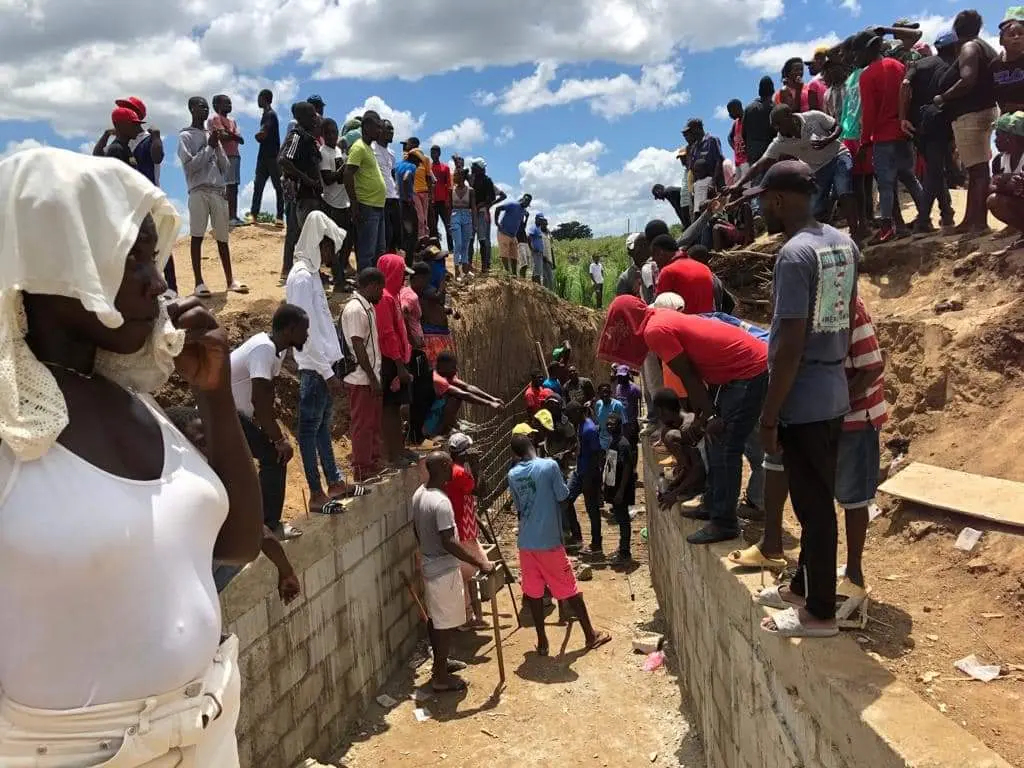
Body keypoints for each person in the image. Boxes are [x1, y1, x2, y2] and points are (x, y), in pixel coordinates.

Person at [0, 148, 260, 765]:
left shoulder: (135, 401)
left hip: (209, 733)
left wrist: (217, 398)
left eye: (154, 255)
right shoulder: (14, 426)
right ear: (55, 259)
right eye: (131, 255)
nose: (157, 280)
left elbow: (237, 544)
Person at [752, 160, 858, 638]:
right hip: (832, 387)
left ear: (777, 199)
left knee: (814, 509)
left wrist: (770, 415)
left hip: (804, 397)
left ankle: (819, 613)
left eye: (762, 199)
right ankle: (801, 586)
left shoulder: (794, 256)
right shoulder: (842, 243)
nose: (760, 208)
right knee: (813, 498)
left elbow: (791, 340)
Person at [600, 295, 768, 544]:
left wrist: (710, 415)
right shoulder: (659, 319)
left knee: (725, 446)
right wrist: (704, 416)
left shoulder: (655, 330)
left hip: (748, 370)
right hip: (735, 372)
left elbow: (688, 375)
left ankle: (724, 523)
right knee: (713, 438)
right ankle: (713, 505)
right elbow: (701, 368)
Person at [165, 407, 301, 605]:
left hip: (173, 579)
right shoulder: (199, 484)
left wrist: (286, 570)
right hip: (169, 582)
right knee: (242, 545)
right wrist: (286, 571)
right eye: (202, 442)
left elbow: (258, 531)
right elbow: (257, 533)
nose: (211, 448)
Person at [507, 434, 612, 655]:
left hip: (526, 543)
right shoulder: (549, 465)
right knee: (570, 588)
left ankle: (542, 641)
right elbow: (564, 498)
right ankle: (590, 636)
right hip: (549, 543)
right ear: (534, 445)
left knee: (534, 593)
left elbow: (519, 508)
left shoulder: (512, 474)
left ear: (515, 455)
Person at [285, 211, 361, 513]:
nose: (333, 254)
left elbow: (322, 324)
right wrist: (328, 371)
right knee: (308, 432)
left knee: (320, 430)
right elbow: (305, 331)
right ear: (319, 244)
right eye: (329, 248)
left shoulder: (312, 274)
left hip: (325, 366)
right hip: (315, 369)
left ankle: (335, 481)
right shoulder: (302, 277)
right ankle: (317, 493)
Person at [413, 452, 494, 692]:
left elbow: (415, 528)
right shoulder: (441, 502)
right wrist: (481, 563)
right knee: (444, 625)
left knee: (436, 619)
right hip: (443, 570)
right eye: (451, 466)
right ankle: (440, 677)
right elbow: (449, 541)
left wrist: (426, 550)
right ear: (445, 467)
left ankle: (442, 663)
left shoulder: (420, 494)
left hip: (430, 565)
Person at [230, 303, 309, 540]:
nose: (307, 334)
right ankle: (267, 526)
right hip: (224, 415)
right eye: (304, 330)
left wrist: (269, 432)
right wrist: (278, 439)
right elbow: (259, 398)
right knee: (275, 456)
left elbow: (265, 397)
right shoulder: (263, 349)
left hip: (237, 415)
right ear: (290, 330)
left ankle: (259, 524)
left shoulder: (277, 349)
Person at [729, 104, 862, 241]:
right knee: (815, 211)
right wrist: (738, 184)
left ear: (790, 117)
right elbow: (759, 165)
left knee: (843, 190)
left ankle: (856, 232)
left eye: (778, 124)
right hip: (818, 168)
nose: (776, 128)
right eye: (774, 126)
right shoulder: (780, 143)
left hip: (838, 155)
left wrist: (829, 139)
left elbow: (837, 126)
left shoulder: (813, 117)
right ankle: (826, 238)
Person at [95, 100, 174, 293]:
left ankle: (169, 288)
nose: (135, 124)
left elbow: (157, 157)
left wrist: (157, 137)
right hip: (130, 205)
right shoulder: (120, 145)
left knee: (157, 242)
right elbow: (100, 161)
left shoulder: (144, 140)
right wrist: (105, 136)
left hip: (147, 199)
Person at [935, 9, 1000, 235]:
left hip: (971, 114)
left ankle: (979, 223)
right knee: (978, 169)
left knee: (978, 170)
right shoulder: (984, 46)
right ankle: (971, 220)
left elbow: (968, 79)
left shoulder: (969, 47)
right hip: (985, 110)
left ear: (956, 28)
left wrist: (943, 97)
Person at [858, 31, 927, 241]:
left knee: (886, 185)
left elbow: (869, 112)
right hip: (902, 131)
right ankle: (925, 218)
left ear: (867, 50)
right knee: (910, 177)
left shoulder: (867, 75)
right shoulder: (898, 65)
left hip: (882, 135)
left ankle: (887, 228)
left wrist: (864, 140)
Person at [178, 96, 245, 297]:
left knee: (222, 237)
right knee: (197, 236)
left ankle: (230, 280)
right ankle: (199, 282)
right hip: (198, 190)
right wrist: (209, 147)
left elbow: (224, 166)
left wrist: (216, 147)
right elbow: (189, 166)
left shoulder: (212, 134)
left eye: (207, 107)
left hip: (217, 190)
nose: (205, 110)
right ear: (191, 109)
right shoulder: (186, 136)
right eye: (201, 107)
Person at [901, 31, 959, 230]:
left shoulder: (920, 64)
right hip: (940, 122)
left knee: (935, 169)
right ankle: (924, 219)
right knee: (935, 171)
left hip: (918, 124)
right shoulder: (954, 66)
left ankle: (947, 213)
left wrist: (903, 118)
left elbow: (905, 84)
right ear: (954, 47)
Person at [337, 268, 383, 484]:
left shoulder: (367, 307)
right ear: (372, 285)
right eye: (380, 288)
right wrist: (372, 378)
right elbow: (357, 345)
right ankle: (362, 469)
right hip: (360, 377)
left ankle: (371, 462)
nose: (382, 292)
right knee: (362, 423)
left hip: (369, 377)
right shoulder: (356, 309)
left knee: (371, 421)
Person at [445, 433, 489, 629]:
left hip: (461, 524)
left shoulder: (449, 470)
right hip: (463, 526)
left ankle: (469, 614)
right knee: (469, 572)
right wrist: (477, 467)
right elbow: (480, 490)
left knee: (466, 573)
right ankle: (466, 618)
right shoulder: (460, 474)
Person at [376, 253, 415, 466]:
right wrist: (400, 365)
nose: (403, 279)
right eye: (401, 274)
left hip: (397, 358)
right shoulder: (385, 298)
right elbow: (388, 334)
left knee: (397, 408)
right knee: (389, 409)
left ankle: (399, 449)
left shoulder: (393, 296)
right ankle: (391, 454)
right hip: (391, 360)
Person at [344, 110, 388, 269]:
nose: (380, 131)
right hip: (367, 206)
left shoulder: (369, 148)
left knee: (379, 252)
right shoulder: (359, 148)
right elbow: (348, 174)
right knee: (366, 252)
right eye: (377, 127)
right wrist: (354, 204)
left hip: (378, 206)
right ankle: (364, 286)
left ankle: (373, 288)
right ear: (366, 127)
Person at [423, 351, 503, 437]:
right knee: (455, 397)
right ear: (442, 367)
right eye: (453, 367)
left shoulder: (445, 373)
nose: (456, 370)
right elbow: (463, 395)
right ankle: (442, 430)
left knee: (454, 396)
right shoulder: (438, 380)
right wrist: (490, 403)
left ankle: (451, 424)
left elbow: (467, 387)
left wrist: (492, 398)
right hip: (427, 424)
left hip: (433, 415)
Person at [278, 100, 323, 242]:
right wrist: (306, 179)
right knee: (304, 240)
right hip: (303, 197)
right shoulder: (297, 136)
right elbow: (284, 160)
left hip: (312, 196)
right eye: (311, 116)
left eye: (315, 116)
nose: (315, 119)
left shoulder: (309, 139)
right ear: (300, 118)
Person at [563, 399, 604, 555]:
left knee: (592, 509)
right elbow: (581, 445)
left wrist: (590, 480)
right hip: (580, 472)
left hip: (589, 474)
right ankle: (576, 535)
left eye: (571, 415)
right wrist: (570, 452)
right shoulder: (580, 426)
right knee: (565, 500)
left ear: (579, 412)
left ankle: (596, 544)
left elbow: (596, 455)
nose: (569, 419)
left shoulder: (589, 429)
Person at [320, 118, 355, 290]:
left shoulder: (338, 152)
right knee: (334, 245)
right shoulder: (324, 152)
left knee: (347, 243)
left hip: (344, 203)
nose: (333, 136)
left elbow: (342, 177)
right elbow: (328, 179)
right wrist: (345, 167)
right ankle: (338, 281)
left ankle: (340, 277)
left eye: (335, 132)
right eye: (329, 133)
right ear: (323, 134)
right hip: (331, 204)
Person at [650, 234, 715, 312]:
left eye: (654, 254)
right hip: (708, 321)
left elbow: (659, 308)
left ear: (660, 252)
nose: (653, 259)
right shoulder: (705, 268)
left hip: (685, 322)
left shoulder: (668, 271)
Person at [603, 413, 636, 565]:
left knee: (623, 520)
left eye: (613, 424)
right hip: (614, 487)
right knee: (620, 517)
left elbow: (628, 468)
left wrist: (621, 491)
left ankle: (625, 552)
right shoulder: (613, 441)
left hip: (621, 488)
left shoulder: (623, 444)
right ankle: (622, 549)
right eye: (608, 424)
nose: (610, 427)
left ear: (620, 425)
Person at [987, 111, 1024, 244]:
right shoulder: (999, 160)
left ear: (1012, 137)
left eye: (999, 135)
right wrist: (1010, 184)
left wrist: (1005, 181)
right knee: (994, 201)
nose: (996, 140)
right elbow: (991, 186)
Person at [207, 94, 245, 226]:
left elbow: (241, 139)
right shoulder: (215, 118)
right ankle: (226, 217)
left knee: (233, 186)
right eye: (226, 103)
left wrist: (230, 134)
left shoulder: (232, 121)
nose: (229, 105)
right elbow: (222, 136)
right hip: (222, 155)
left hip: (234, 155)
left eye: (230, 103)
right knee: (225, 187)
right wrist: (233, 135)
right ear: (216, 105)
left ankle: (233, 216)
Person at [249, 88, 285, 226]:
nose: (258, 100)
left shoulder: (270, 114)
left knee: (275, 187)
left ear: (264, 98)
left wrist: (257, 135)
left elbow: (263, 134)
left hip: (271, 157)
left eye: (259, 97)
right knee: (261, 186)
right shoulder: (267, 114)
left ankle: (279, 217)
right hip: (265, 156)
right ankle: (256, 215)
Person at [471, 159, 505, 271]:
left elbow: (496, 197)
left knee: (483, 240)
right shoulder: (472, 180)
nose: (484, 170)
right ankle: (470, 265)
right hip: (472, 213)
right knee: (471, 239)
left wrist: (487, 205)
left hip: (482, 213)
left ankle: (485, 265)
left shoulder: (487, 181)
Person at [374, 120, 402, 253]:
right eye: (388, 129)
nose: (391, 132)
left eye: (392, 129)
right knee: (385, 235)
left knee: (397, 235)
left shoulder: (391, 153)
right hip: (380, 198)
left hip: (394, 197)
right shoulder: (371, 149)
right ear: (379, 130)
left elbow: (392, 174)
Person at [682, 118, 725, 190]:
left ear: (697, 128)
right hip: (701, 187)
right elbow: (692, 169)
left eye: (691, 130)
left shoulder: (712, 140)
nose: (689, 133)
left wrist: (713, 182)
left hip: (716, 186)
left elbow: (719, 161)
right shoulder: (694, 148)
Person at [743, 76, 778, 165]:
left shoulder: (748, 109)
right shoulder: (774, 108)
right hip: (769, 153)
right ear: (772, 90)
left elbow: (743, 133)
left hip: (752, 154)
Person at [994, 9, 1024, 114]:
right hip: (1007, 125)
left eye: (1021, 33)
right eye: (1011, 34)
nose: (1017, 37)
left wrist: (1017, 107)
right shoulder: (994, 66)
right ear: (1001, 41)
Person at [495, 194, 532, 275]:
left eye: (528, 203)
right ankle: (507, 273)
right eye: (526, 201)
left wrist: (526, 218)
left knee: (514, 256)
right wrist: (496, 223)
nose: (526, 204)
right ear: (522, 199)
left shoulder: (523, 211)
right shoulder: (512, 205)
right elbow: (498, 208)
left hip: (513, 236)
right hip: (503, 233)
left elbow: (522, 226)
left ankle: (514, 275)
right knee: (504, 254)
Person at [405, 138, 434, 240]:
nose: (406, 146)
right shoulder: (407, 157)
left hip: (424, 191)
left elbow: (428, 177)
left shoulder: (425, 159)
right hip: (414, 192)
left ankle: (425, 238)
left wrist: (430, 194)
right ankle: (420, 238)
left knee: (424, 218)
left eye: (407, 144)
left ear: (413, 144)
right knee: (420, 218)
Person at [395, 149, 421, 260]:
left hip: (397, 202)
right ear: (413, 158)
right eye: (418, 161)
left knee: (403, 234)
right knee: (412, 234)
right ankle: (408, 262)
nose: (419, 164)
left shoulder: (398, 165)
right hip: (406, 203)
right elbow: (406, 177)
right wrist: (408, 199)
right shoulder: (411, 166)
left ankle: (401, 260)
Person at [450, 168, 476, 277]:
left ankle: (465, 271)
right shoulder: (451, 190)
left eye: (456, 175)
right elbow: (448, 207)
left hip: (467, 216)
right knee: (458, 244)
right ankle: (456, 271)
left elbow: (473, 207)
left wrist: (474, 224)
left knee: (465, 245)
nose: (454, 177)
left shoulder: (470, 190)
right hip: (455, 215)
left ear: (462, 177)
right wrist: (448, 223)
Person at [430, 145, 453, 247]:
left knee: (448, 225)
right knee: (433, 226)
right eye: (431, 152)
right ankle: (436, 248)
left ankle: (451, 248)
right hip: (432, 202)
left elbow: (449, 184)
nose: (433, 154)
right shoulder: (428, 167)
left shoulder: (445, 168)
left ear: (439, 154)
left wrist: (448, 200)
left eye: (435, 152)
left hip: (444, 201)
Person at [614, 365, 642, 446]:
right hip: (621, 423)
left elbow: (639, 402)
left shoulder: (634, 388)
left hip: (631, 423)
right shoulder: (618, 387)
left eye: (622, 376)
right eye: (619, 376)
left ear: (627, 375)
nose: (620, 378)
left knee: (632, 446)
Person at [593, 381, 625, 451]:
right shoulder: (598, 404)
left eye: (607, 392)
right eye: (602, 392)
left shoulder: (617, 405)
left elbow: (624, 424)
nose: (605, 394)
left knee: (613, 461)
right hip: (602, 442)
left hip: (614, 442)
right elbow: (598, 423)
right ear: (598, 394)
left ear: (611, 393)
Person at [726, 99, 748, 176]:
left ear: (736, 108)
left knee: (747, 186)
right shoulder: (736, 123)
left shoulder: (748, 118)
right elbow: (729, 137)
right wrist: (735, 148)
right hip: (738, 162)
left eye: (730, 111)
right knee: (738, 186)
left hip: (747, 161)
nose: (729, 115)